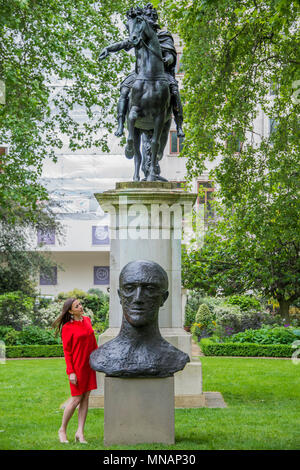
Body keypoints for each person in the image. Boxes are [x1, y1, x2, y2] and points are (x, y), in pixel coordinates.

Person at [90, 260, 190, 377]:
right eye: (129, 288)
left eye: (150, 289)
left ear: (163, 298)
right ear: (120, 296)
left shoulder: (174, 358)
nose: (138, 298)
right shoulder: (102, 356)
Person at [98, 3, 184, 139]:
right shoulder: (139, 36)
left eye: (151, 17)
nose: (149, 19)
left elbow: (172, 55)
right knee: (124, 89)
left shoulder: (164, 35)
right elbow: (125, 43)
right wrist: (108, 48)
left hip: (162, 74)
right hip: (139, 74)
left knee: (174, 90)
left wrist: (167, 60)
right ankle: (120, 123)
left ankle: (179, 124)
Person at [52, 298, 98, 444]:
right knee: (76, 398)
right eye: (76, 306)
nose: (80, 307)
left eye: (80, 304)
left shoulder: (87, 320)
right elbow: (67, 351)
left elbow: (93, 343)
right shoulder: (67, 327)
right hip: (77, 367)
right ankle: (62, 430)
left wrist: (98, 359)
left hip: (89, 366)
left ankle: (80, 432)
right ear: (70, 311)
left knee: (85, 398)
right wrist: (71, 372)